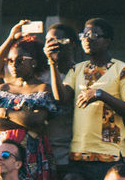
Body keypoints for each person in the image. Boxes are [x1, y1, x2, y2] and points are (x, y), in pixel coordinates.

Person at [63, 19, 125, 180]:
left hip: (109, 155)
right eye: (83, 35)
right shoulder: (76, 69)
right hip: (79, 154)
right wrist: (52, 62)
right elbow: (61, 99)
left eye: (92, 35)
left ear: (107, 41)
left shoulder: (124, 70)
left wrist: (101, 95)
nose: (86, 39)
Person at [0, 36, 61, 180]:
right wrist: (26, 122)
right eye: (10, 61)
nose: (13, 65)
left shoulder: (42, 88)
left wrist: (5, 112)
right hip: (2, 151)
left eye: (20, 60)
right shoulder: (3, 88)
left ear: (34, 62)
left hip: (31, 151)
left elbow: (37, 120)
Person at [45, 23, 79, 178]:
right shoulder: (41, 75)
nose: (52, 45)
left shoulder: (81, 73)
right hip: (44, 153)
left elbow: (62, 99)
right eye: (48, 41)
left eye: (57, 40)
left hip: (72, 155)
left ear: (71, 43)